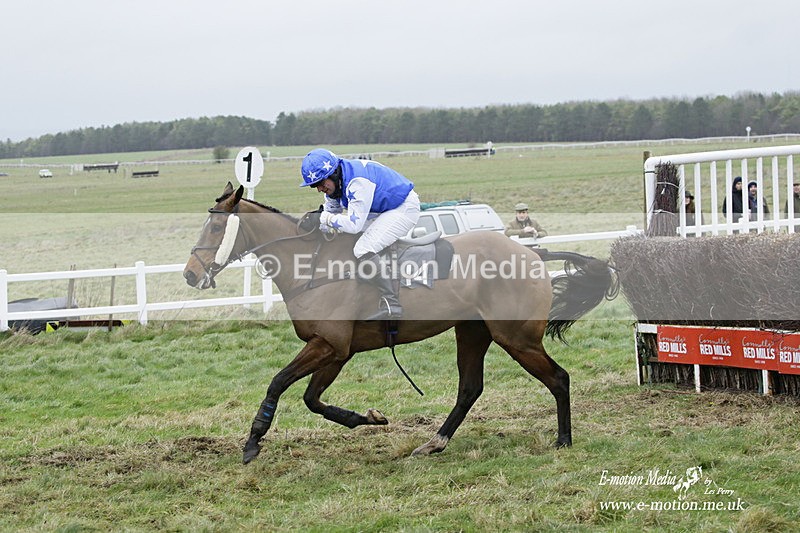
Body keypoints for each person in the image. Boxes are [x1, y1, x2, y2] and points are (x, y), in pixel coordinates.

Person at [300, 148, 420, 320]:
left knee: (363, 248)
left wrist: (323, 218)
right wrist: (319, 225)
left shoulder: (357, 183)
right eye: (314, 185)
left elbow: (354, 225)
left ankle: (391, 303)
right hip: (382, 209)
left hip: (403, 208)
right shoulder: (337, 184)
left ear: (333, 174)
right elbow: (330, 214)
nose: (319, 189)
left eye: (320, 183)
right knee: (347, 241)